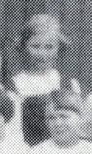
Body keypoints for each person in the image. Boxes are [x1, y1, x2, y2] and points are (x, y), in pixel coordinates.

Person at [12, 15, 80, 146]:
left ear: (58, 48)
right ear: (24, 47)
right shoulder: (16, 84)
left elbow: (76, 127)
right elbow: (15, 132)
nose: (42, 54)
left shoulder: (69, 84)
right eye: (36, 46)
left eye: (49, 47)